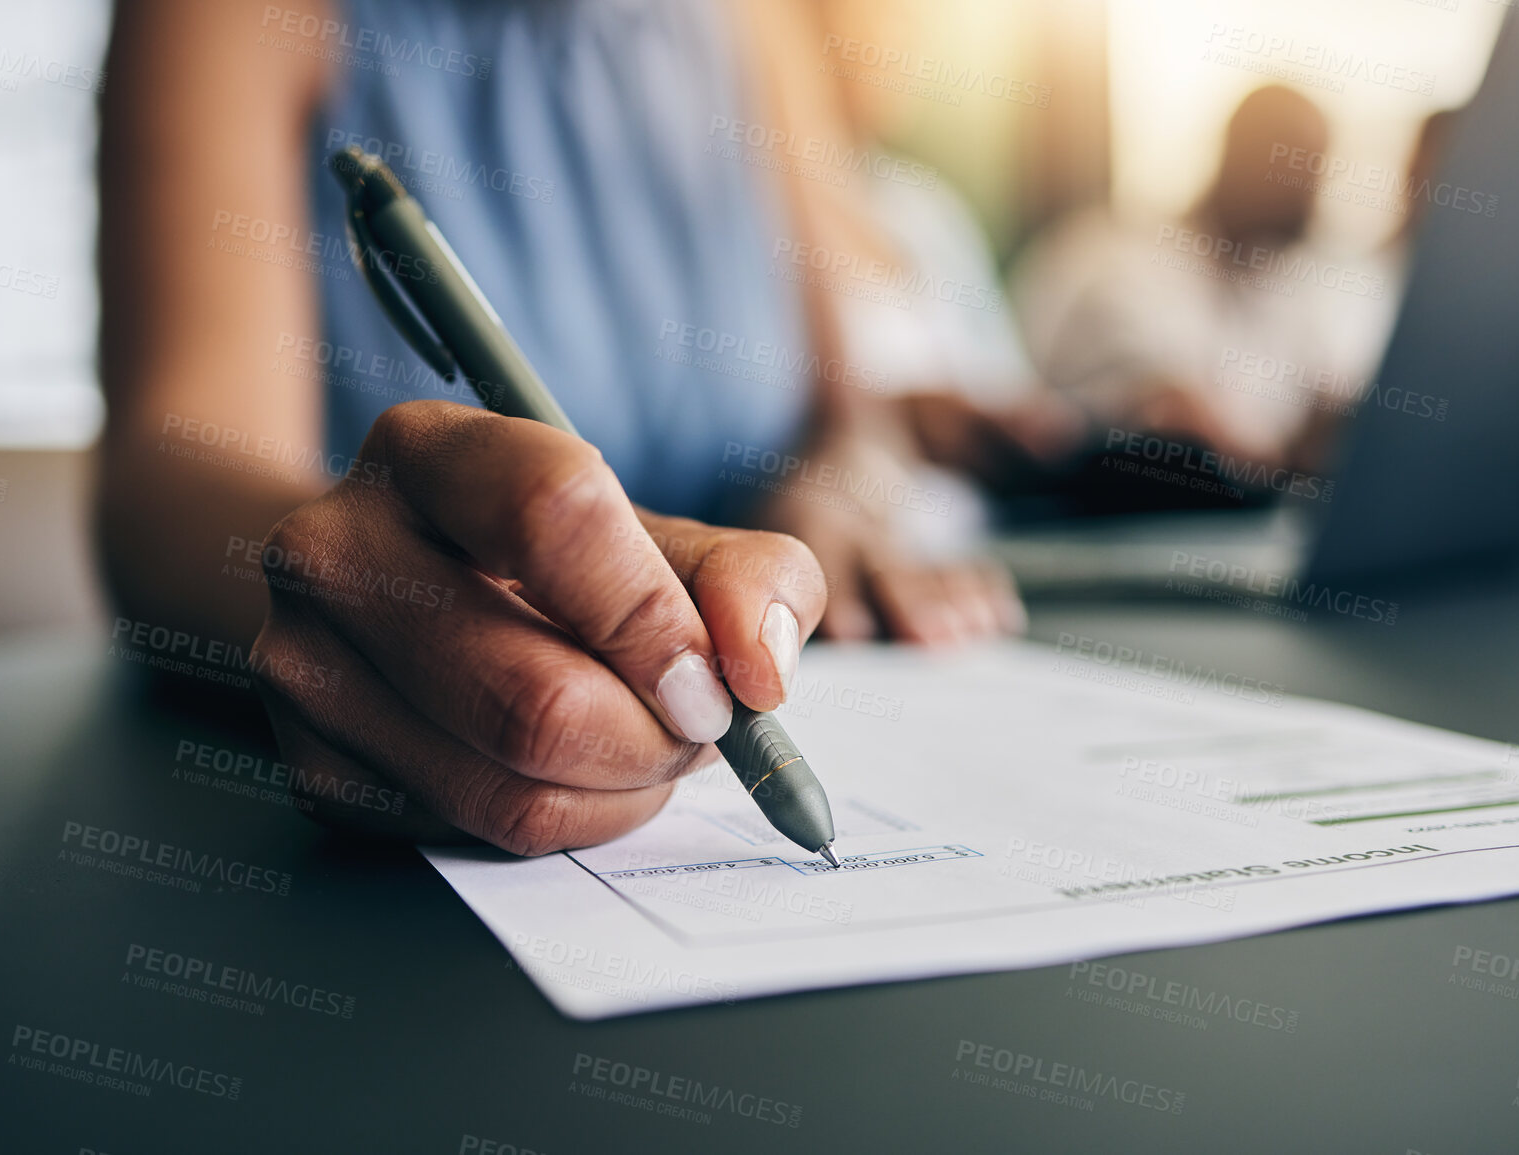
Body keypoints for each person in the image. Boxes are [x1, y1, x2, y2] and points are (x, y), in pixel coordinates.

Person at [96, 0, 1021, 855]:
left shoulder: (755, 18)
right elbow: (170, 485)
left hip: (814, 677)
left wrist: (826, 501)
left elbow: (849, 419)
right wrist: (378, 594)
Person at [1015, 85, 1389, 471]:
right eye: (1297, 169)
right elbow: (1170, 410)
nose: (1311, 198)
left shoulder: (1294, 288)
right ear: (1241, 158)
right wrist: (1269, 464)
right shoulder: (1125, 260)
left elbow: (1322, 409)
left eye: (1317, 171)